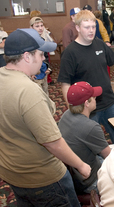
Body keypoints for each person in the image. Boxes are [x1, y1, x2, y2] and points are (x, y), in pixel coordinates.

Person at [0, 28, 91, 206]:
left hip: (12, 172)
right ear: (27, 56)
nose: (44, 59)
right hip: (43, 179)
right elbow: (52, 142)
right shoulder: (28, 91)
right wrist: (81, 165)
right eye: (41, 54)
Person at [58, 10, 114, 144]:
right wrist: (73, 109)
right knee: (90, 144)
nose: (91, 30)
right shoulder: (70, 53)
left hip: (109, 101)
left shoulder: (99, 43)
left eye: (94, 27)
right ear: (77, 28)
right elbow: (65, 84)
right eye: (87, 27)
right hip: (87, 107)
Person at [58, 81, 111, 194]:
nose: (96, 98)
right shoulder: (91, 127)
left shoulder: (66, 114)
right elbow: (110, 157)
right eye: (94, 97)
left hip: (76, 178)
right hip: (90, 182)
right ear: (87, 103)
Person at [30, 17, 51, 95]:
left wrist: (47, 67)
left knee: (46, 94)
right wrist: (30, 73)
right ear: (31, 27)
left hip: (43, 72)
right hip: (35, 74)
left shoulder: (42, 40)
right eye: (37, 26)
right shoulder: (29, 42)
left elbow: (45, 56)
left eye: (41, 26)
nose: (40, 28)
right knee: (38, 95)